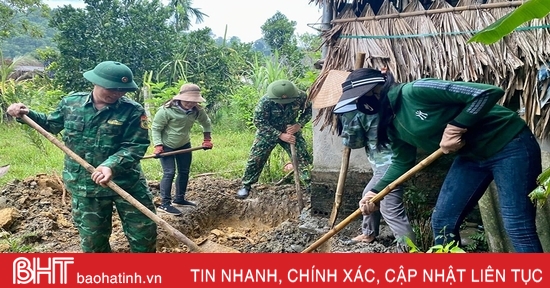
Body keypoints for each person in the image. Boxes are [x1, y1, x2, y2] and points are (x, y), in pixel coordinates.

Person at [345, 68, 543, 252]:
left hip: (510, 144)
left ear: (373, 91)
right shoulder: (391, 123)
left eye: (359, 99)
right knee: (443, 221)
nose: (359, 105)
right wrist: (375, 192)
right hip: (471, 157)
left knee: (517, 224)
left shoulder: (415, 91)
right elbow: (401, 162)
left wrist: (457, 125)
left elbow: (488, 92)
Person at [7, 61, 157, 253]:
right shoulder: (71, 103)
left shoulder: (133, 110)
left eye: (122, 90)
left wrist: (110, 166)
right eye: (111, 88)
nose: (116, 93)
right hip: (85, 186)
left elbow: (135, 145)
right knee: (94, 242)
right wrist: (26, 114)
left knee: (144, 235)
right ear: (95, 82)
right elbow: (50, 125)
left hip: (126, 183)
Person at [333, 69, 415, 251]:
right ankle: (368, 233)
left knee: (391, 209)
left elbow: (355, 142)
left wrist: (347, 118)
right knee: (368, 195)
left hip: (390, 163)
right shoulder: (383, 100)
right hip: (390, 161)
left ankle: (409, 250)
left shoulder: (360, 109)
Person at [236, 79, 312, 199]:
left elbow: (310, 110)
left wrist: (298, 125)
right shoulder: (265, 101)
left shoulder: (301, 97)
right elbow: (259, 122)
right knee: (256, 158)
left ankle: (309, 185)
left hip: (290, 129)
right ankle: (246, 185)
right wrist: (280, 135)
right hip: (268, 132)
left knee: (301, 156)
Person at [151, 83, 213, 216]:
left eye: (193, 101)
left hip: (184, 144)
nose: (190, 104)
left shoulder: (197, 110)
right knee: (169, 172)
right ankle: (165, 204)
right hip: (167, 146)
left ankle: (179, 198)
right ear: (180, 98)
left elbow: (206, 123)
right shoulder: (166, 110)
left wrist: (207, 139)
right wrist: (158, 145)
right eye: (188, 101)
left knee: (184, 171)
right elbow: (156, 128)